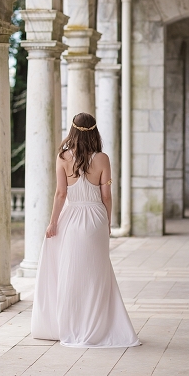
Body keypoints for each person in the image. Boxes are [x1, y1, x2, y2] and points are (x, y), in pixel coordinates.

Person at [31, 112, 141, 348]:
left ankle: (70, 324)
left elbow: (61, 194)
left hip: (72, 218)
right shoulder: (103, 159)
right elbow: (107, 195)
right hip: (96, 219)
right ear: (94, 131)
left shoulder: (62, 157)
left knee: (71, 272)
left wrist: (53, 223)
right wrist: (107, 222)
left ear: (72, 130)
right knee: (97, 274)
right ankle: (98, 325)